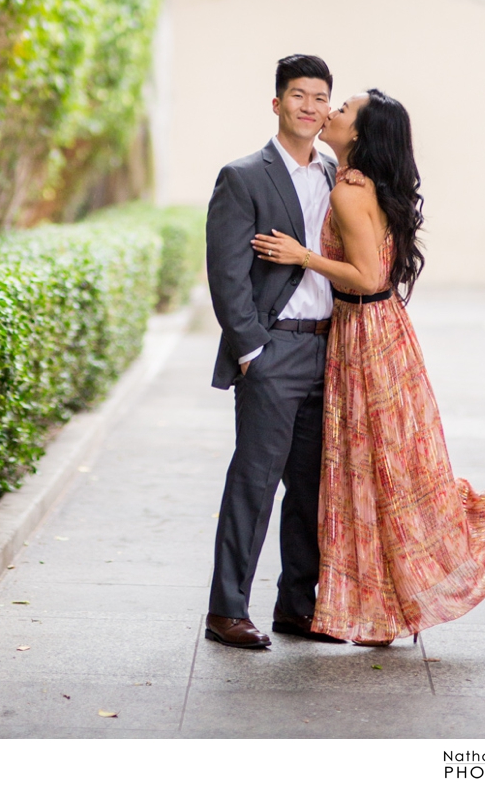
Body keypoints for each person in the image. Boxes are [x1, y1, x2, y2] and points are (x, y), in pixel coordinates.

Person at [251, 88, 485, 646]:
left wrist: (301, 256)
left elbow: (366, 277)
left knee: (383, 471)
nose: (330, 113)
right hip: (378, 330)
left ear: (358, 134)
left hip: (365, 332)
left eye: (342, 110)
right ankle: (388, 605)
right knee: (393, 469)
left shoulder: (349, 192)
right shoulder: (357, 180)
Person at [204, 54, 345, 650]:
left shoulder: (337, 172)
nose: (309, 107)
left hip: (328, 348)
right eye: (298, 96)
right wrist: (250, 352)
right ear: (277, 103)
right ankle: (226, 610)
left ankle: (297, 605)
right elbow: (226, 275)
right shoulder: (243, 176)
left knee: (313, 487)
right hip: (274, 351)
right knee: (255, 482)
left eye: (320, 97)